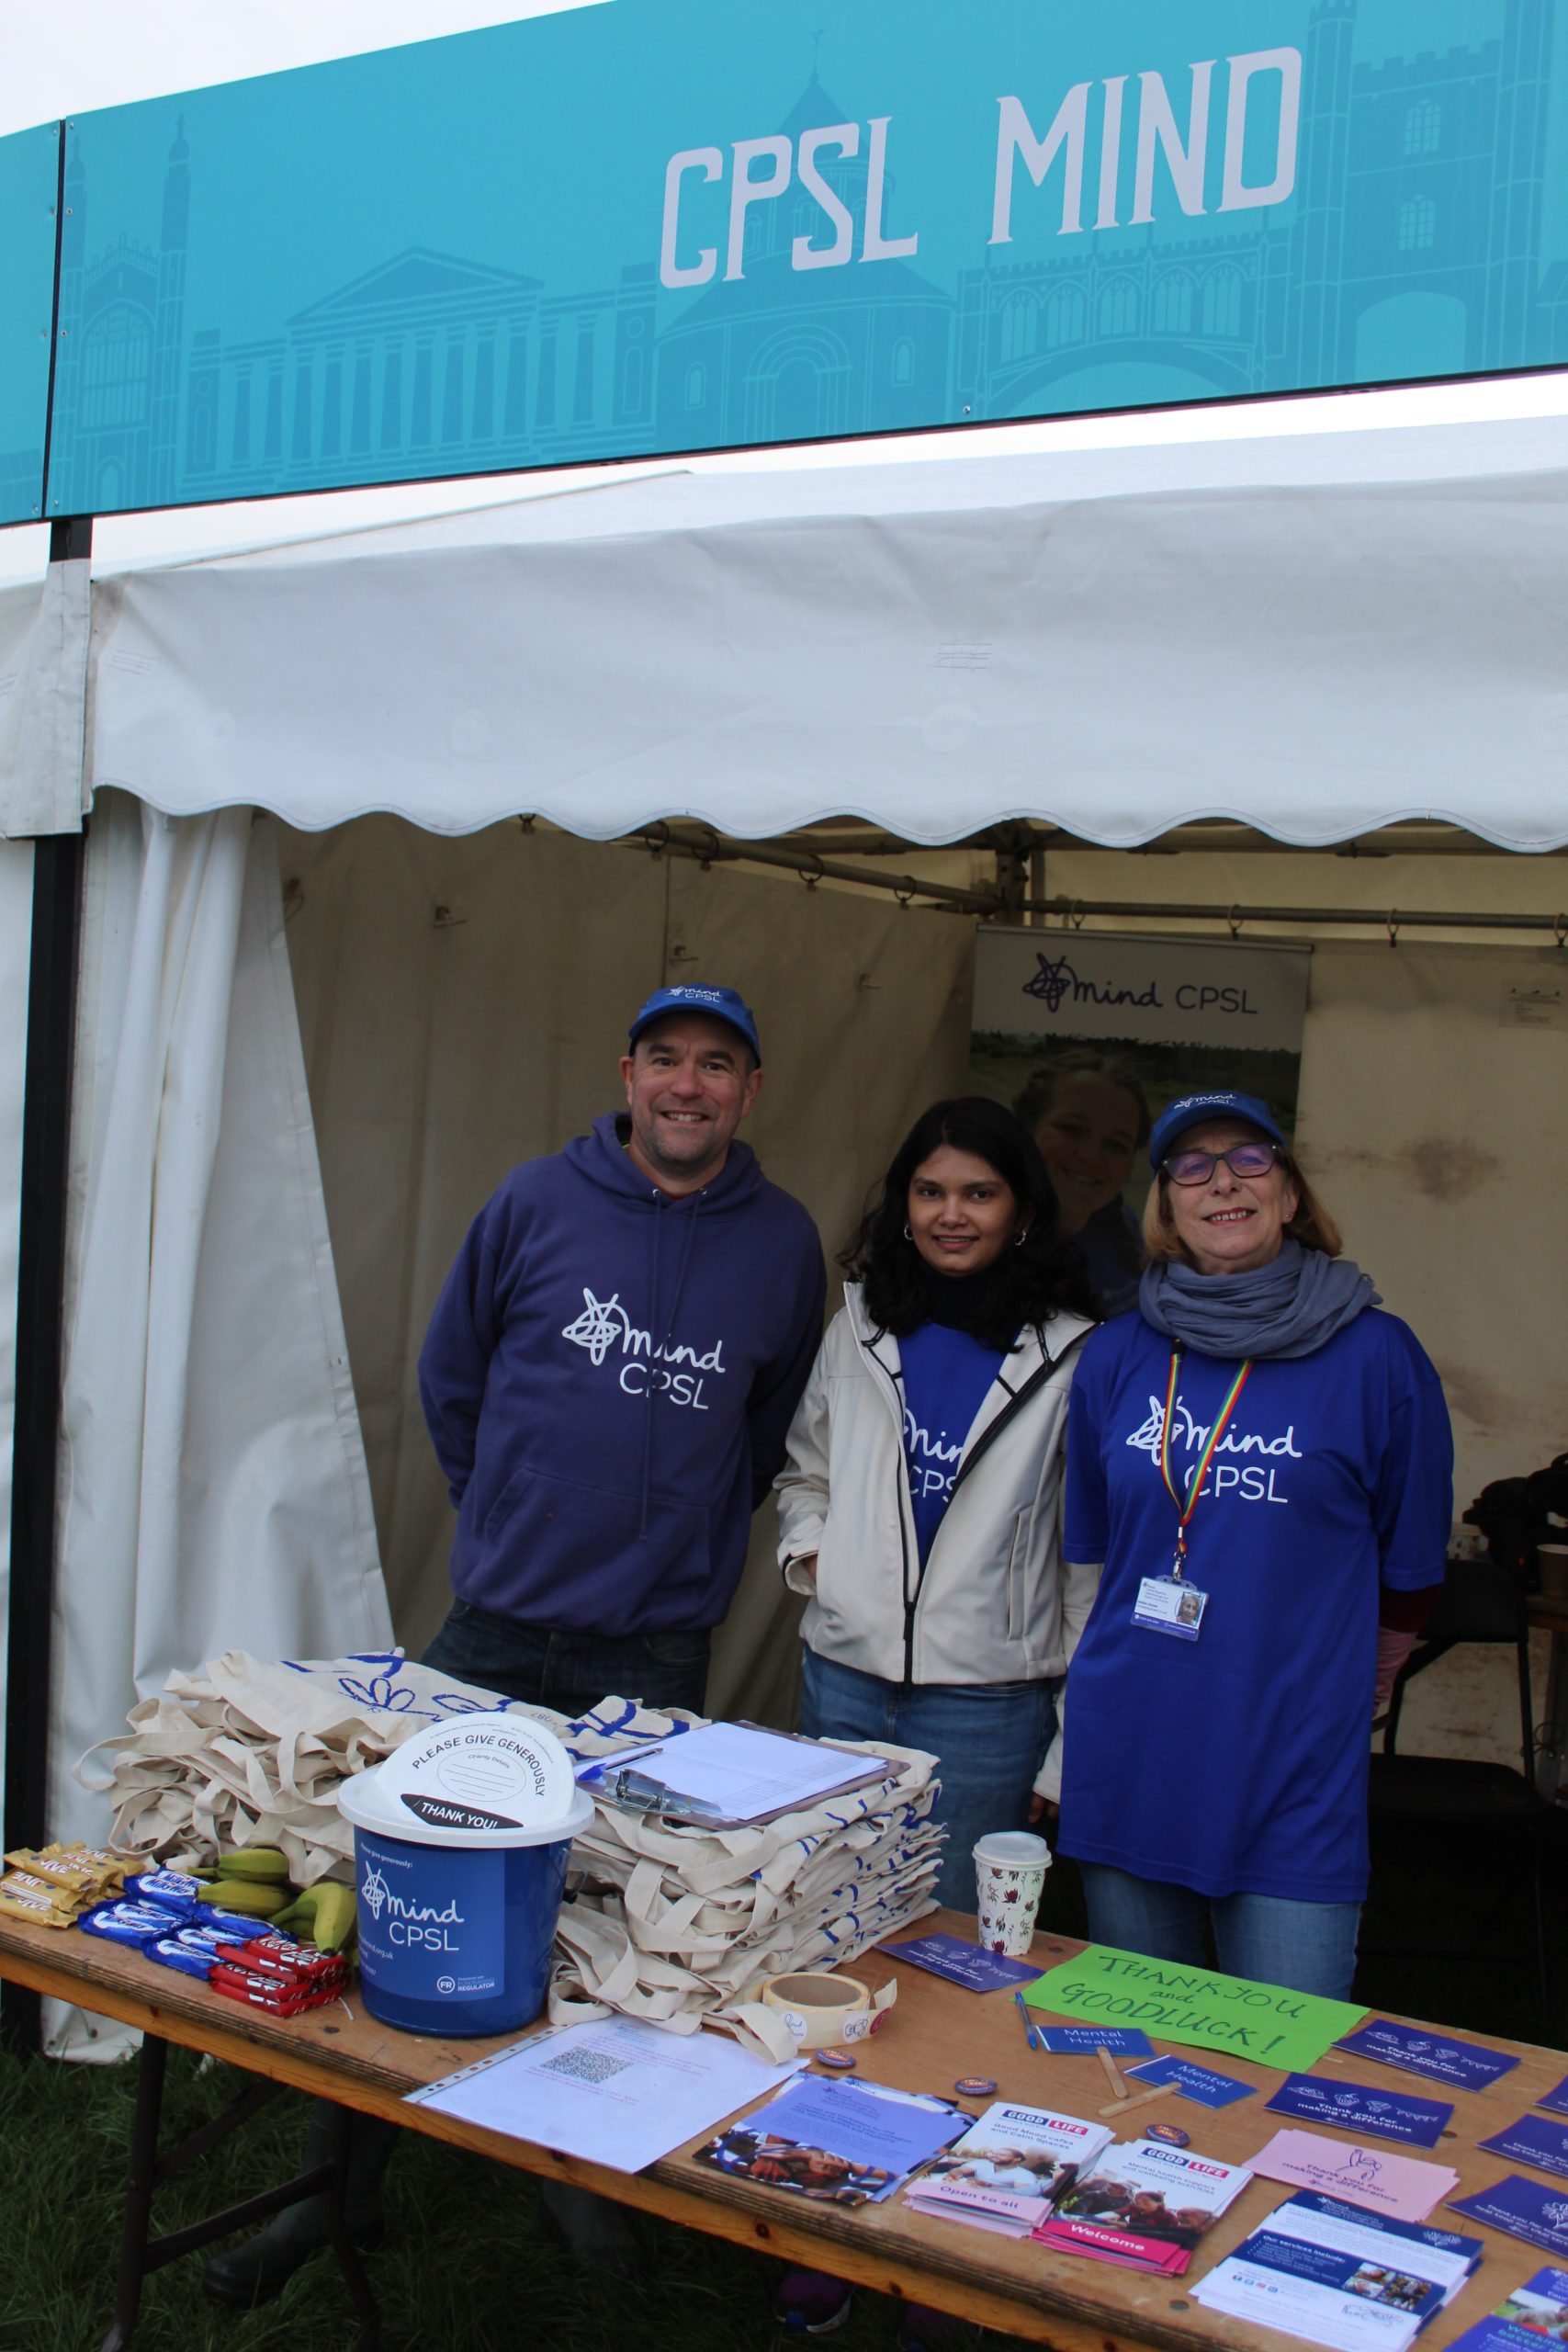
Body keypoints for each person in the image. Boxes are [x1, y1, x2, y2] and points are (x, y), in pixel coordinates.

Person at [206, 983, 826, 2310]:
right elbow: (452, 1378)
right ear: (627, 1073)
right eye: (665, 1060)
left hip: (654, 1649)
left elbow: (768, 1430)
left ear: (747, 1092)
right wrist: (511, 1514)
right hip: (492, 1629)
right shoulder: (533, 1203)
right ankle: (342, 2182)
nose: (687, 1086)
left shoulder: (781, 1245)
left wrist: (677, 1541)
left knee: (613, 1917)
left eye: (716, 1066)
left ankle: (574, 2172)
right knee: (404, 1895)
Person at [1051, 1089, 1451, 1999]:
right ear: (1165, 1203)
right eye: (1190, 1165)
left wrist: (1368, 1678)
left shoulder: (1379, 1356)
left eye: (1249, 1159)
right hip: (1135, 1752)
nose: (1221, 1182)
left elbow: (1416, 1566)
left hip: (1291, 1766)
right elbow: (1094, 1555)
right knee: (1140, 2058)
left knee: (1284, 2069)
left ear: (1292, 1192)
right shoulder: (1116, 1355)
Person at [776, 1095, 1097, 1915]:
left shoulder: (1077, 1355)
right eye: (929, 1192)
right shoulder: (858, 1328)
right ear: (904, 1206)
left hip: (987, 1709)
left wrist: (1068, 1745)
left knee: (949, 1943)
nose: (950, 1214)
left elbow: (1088, 1564)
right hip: (843, 1682)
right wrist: (822, 1562)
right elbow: (804, 1472)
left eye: (978, 1194)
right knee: (825, 1918)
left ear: (1021, 1211)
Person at [1013, 1049, 1150, 1316]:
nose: (1092, 1157)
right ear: (1027, 1129)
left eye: (1115, 1145)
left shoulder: (1124, 1229)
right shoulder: (979, 1243)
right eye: (1073, 1129)